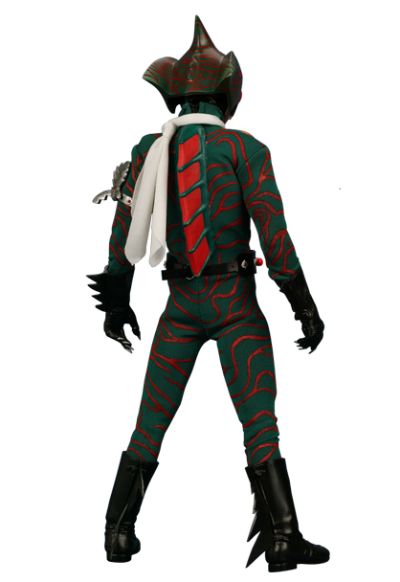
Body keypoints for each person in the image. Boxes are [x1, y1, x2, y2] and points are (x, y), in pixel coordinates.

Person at [88, 15, 330, 573]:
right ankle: (283, 538)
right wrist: (304, 305)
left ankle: (117, 534)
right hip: (235, 305)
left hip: (180, 306)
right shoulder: (245, 150)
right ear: (226, 92)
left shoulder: (152, 150)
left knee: (151, 420)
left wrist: (118, 301)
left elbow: (124, 231)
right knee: (259, 422)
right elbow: (274, 235)